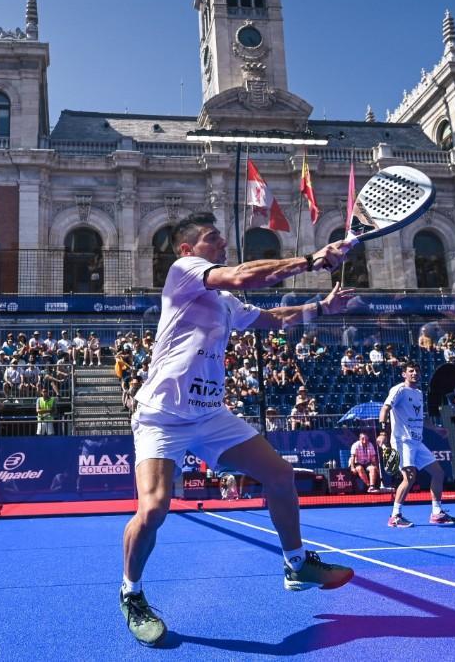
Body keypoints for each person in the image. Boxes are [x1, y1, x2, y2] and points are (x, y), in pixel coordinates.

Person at [119, 212, 355, 646]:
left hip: (210, 416)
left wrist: (321, 307)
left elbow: (274, 319)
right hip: (162, 416)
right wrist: (310, 260)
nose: (223, 245)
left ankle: (296, 563)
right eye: (213, 240)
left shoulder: (226, 303)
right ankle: (131, 594)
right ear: (189, 249)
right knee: (153, 510)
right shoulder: (184, 272)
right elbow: (243, 277)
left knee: (280, 475)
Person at [380, 363, 455, 527]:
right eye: (411, 371)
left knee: (438, 473)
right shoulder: (399, 390)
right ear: (404, 374)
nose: (414, 373)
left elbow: (421, 417)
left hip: (417, 442)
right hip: (402, 440)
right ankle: (395, 516)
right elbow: (385, 409)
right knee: (409, 477)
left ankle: (437, 513)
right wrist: (383, 433)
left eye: (417, 370)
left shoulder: (418, 393)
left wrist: (437, 429)